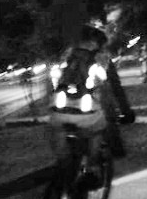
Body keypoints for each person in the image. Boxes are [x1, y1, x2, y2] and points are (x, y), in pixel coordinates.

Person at [49, 24, 135, 186]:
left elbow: (53, 84)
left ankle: (61, 185)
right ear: (98, 43)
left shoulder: (66, 56)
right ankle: (92, 168)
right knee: (98, 130)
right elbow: (116, 88)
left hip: (58, 111)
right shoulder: (101, 58)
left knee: (63, 148)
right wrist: (127, 111)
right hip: (87, 114)